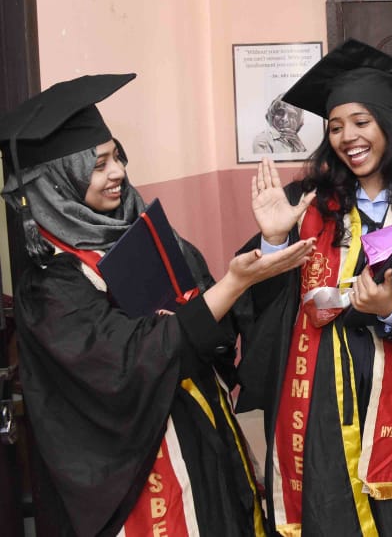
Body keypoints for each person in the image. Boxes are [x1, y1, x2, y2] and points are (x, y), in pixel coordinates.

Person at [0, 74, 315, 536]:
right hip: (133, 482)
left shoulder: (143, 234)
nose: (118, 174)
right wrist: (230, 285)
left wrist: (270, 246)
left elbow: (221, 324)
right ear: (56, 183)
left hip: (205, 447)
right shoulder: (50, 288)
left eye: (116, 157)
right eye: (98, 164)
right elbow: (129, 360)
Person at [235, 39, 392, 536]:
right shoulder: (301, 207)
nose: (347, 137)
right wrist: (271, 242)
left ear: (386, 126)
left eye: (360, 122)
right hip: (322, 405)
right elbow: (262, 311)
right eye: (335, 127)